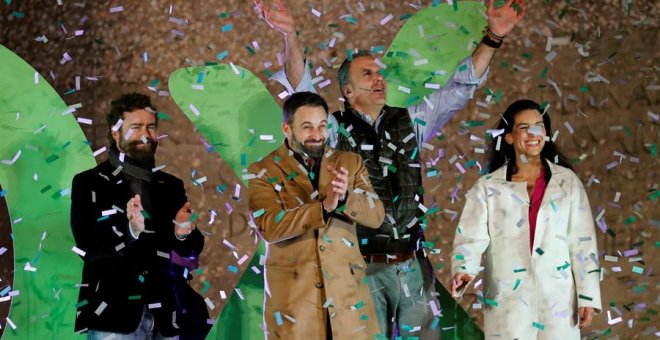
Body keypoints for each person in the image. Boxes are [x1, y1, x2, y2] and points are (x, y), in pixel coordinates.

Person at [255, 0, 525, 337]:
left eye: (379, 72)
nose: (378, 77)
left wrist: (493, 38)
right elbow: (303, 89)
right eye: (367, 73)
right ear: (348, 91)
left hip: (412, 265)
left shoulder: (410, 121)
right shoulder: (333, 132)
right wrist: (290, 35)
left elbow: (459, 87)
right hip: (359, 269)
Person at [450, 99, 602, 339]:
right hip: (508, 300)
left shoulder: (567, 181)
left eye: (538, 126)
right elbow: (470, 237)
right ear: (509, 137)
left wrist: (588, 296)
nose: (533, 133)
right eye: (523, 127)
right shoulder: (488, 187)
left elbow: (583, 243)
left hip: (558, 300)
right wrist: (464, 269)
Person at [70, 93, 210, 339]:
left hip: (166, 316)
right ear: (115, 133)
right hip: (114, 318)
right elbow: (87, 244)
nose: (145, 134)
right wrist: (130, 230)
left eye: (151, 127)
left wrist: (182, 233)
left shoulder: (170, 185)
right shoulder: (88, 182)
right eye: (135, 127)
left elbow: (193, 247)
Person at [247, 92, 385, 339]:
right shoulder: (262, 171)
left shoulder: (350, 162)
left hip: (348, 301)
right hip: (295, 305)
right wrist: (323, 208)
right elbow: (268, 226)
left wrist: (345, 199)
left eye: (322, 126)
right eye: (307, 127)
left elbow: (376, 215)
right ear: (286, 129)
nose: (317, 135)